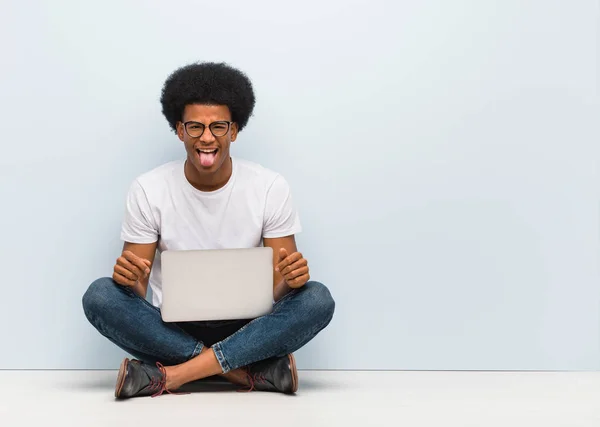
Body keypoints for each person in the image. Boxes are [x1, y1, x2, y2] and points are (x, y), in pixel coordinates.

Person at [81, 62, 335, 399]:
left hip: (248, 326)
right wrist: (129, 278)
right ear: (179, 130)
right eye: (195, 127)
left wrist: (290, 278)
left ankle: (172, 376)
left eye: (218, 126)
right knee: (101, 295)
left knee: (316, 298)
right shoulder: (148, 188)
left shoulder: (269, 186)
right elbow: (138, 289)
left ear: (234, 130)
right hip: (170, 325)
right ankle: (244, 373)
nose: (207, 137)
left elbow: (277, 288)